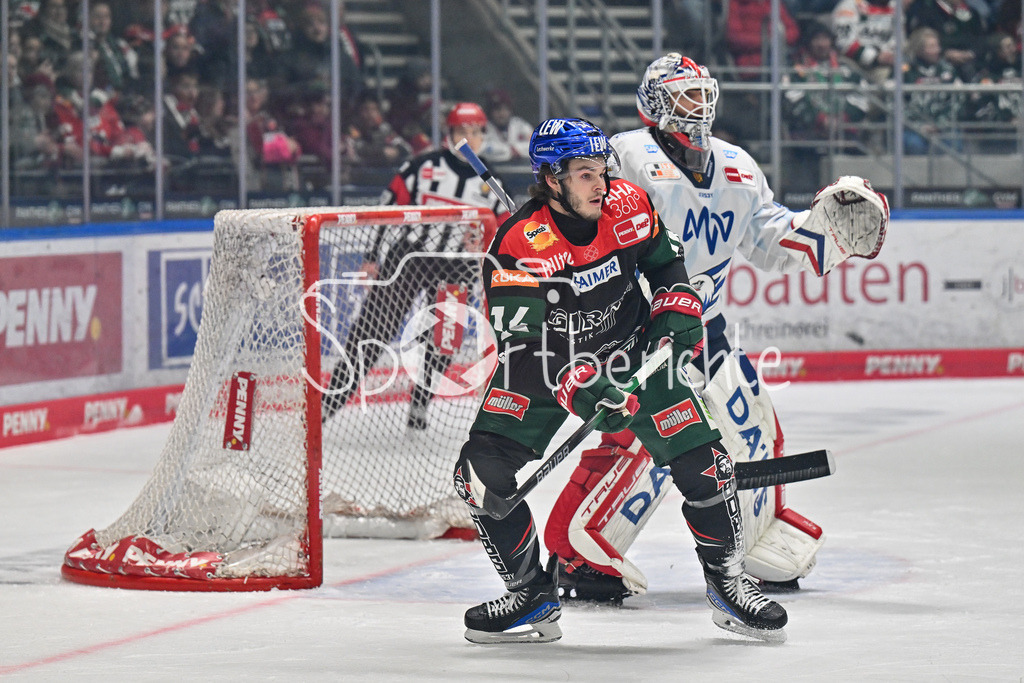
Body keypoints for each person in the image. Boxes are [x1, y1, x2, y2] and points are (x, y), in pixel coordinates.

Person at [542, 53, 886, 605]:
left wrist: (823, 233)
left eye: (702, 94)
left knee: (754, 425)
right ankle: (578, 550)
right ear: (654, 103)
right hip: (637, 328)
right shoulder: (626, 155)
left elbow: (770, 236)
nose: (697, 106)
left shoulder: (737, 166)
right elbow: (583, 218)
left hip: (707, 325)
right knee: (644, 438)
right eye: (684, 95)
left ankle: (758, 536)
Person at [452, 116, 790, 645]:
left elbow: (664, 261)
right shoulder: (518, 244)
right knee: (478, 474)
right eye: (585, 174)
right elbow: (525, 346)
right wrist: (579, 385)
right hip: (548, 366)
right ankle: (529, 594)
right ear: (552, 179)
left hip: (633, 351)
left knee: (707, 463)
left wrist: (678, 305)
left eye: (602, 171)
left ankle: (728, 585)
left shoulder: (627, 204)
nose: (601, 184)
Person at [322, 102, 511, 428]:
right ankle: (329, 403)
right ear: (449, 134)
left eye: (475, 131)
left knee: (445, 339)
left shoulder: (492, 182)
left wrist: (487, 248)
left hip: (458, 267)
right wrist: (372, 257)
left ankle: (421, 402)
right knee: (372, 330)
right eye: (461, 131)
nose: (468, 138)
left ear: (483, 135)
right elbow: (385, 208)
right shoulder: (421, 167)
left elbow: (507, 230)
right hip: (410, 259)